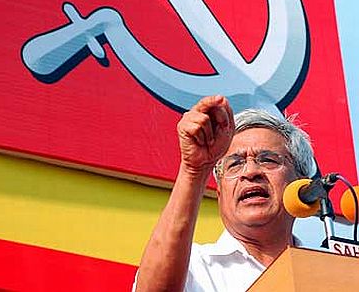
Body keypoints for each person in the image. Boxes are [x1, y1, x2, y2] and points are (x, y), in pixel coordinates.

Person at [133, 95, 315, 291]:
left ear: (301, 182)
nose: (250, 172)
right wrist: (193, 169)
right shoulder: (194, 267)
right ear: (220, 194)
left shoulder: (327, 269)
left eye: (268, 160)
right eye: (235, 163)